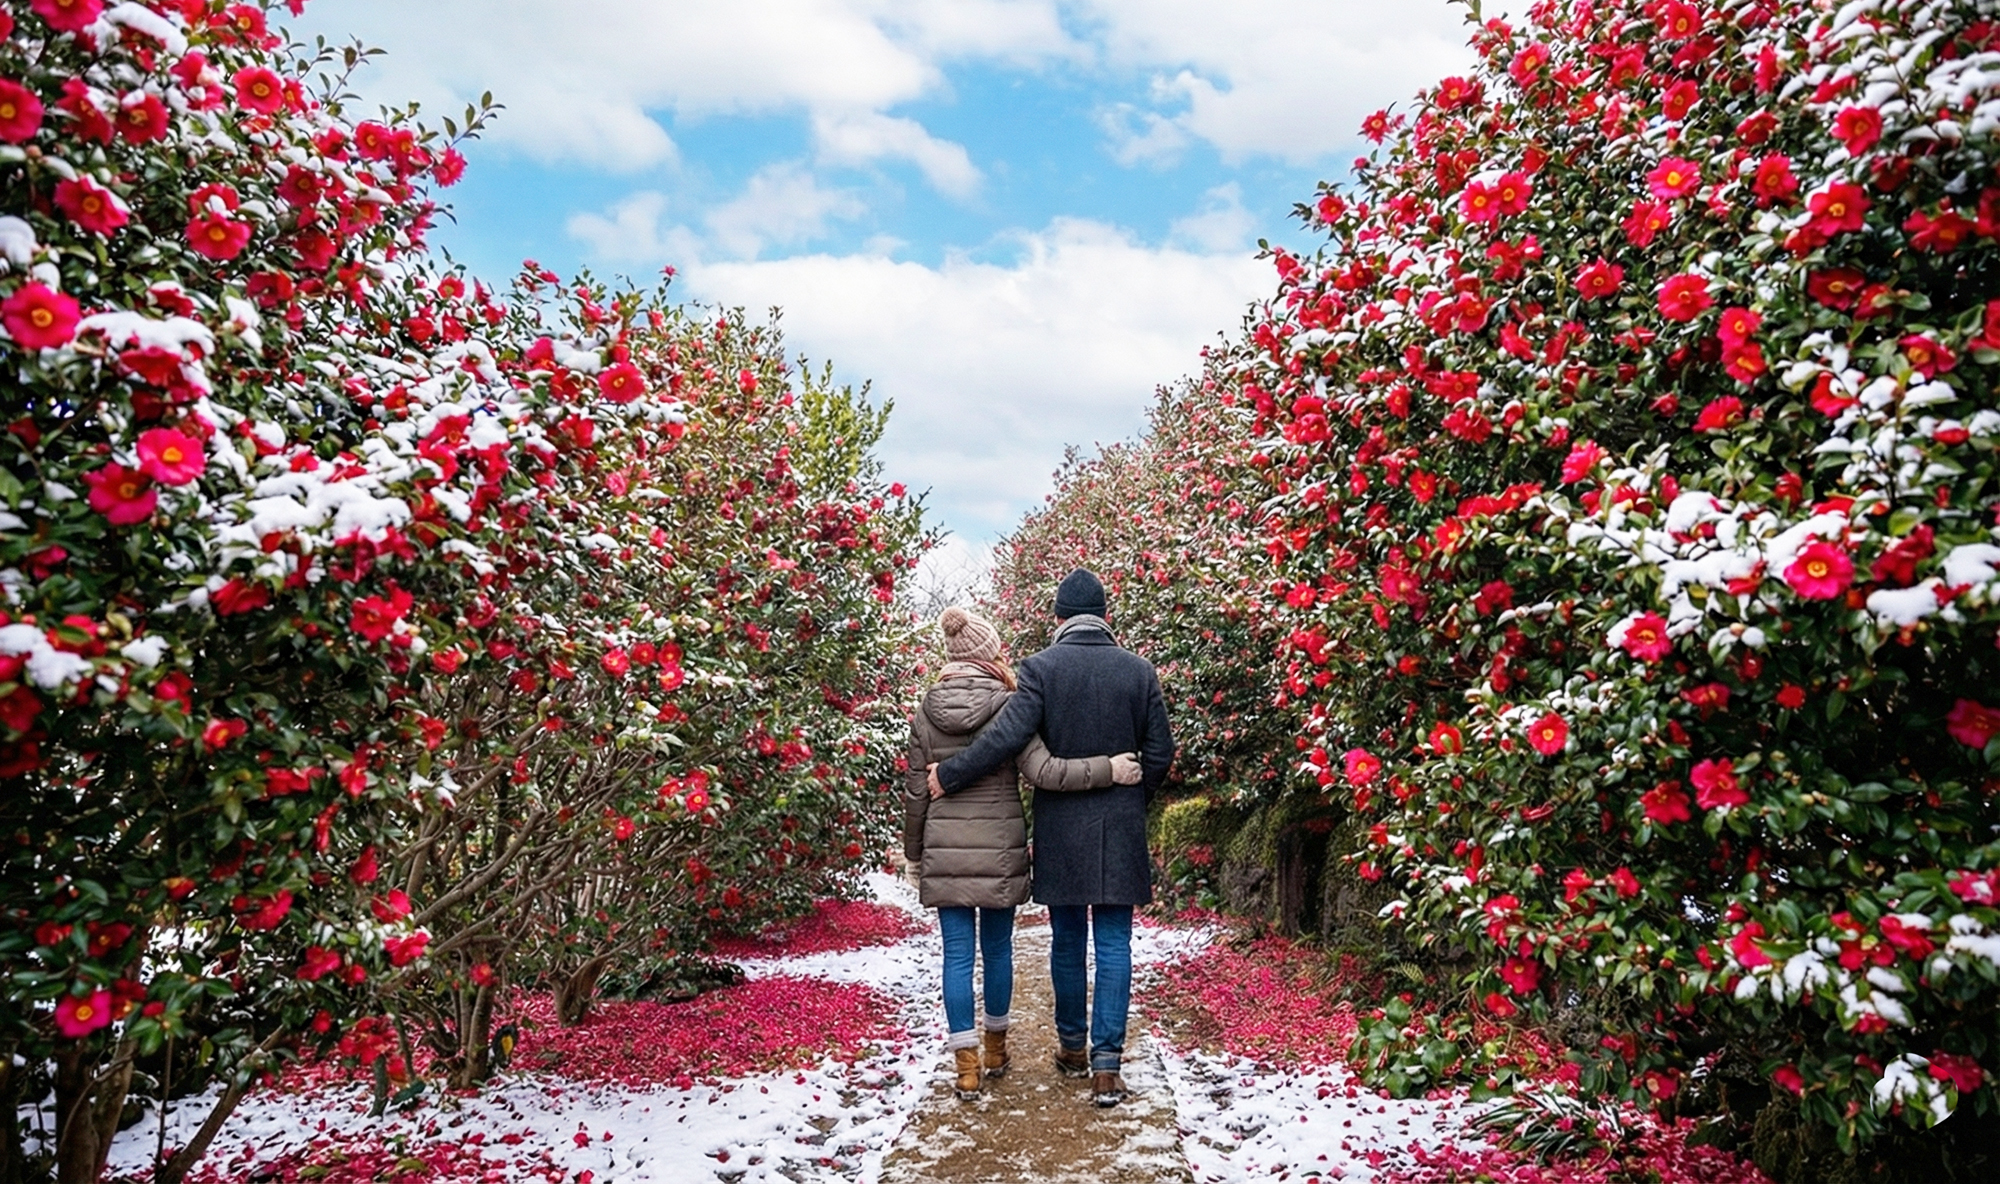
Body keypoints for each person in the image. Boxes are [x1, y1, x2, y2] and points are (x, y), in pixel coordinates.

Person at [929, 569, 1175, 1107]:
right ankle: (1107, 1066)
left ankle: (1071, 1047)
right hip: (1120, 827)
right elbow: (1160, 754)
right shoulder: (1140, 672)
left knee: (1067, 942)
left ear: (1059, 618)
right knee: (1114, 945)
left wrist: (949, 775)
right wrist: (1132, 799)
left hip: (1062, 830)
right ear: (1106, 617)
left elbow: (1003, 739)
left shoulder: (1039, 670)